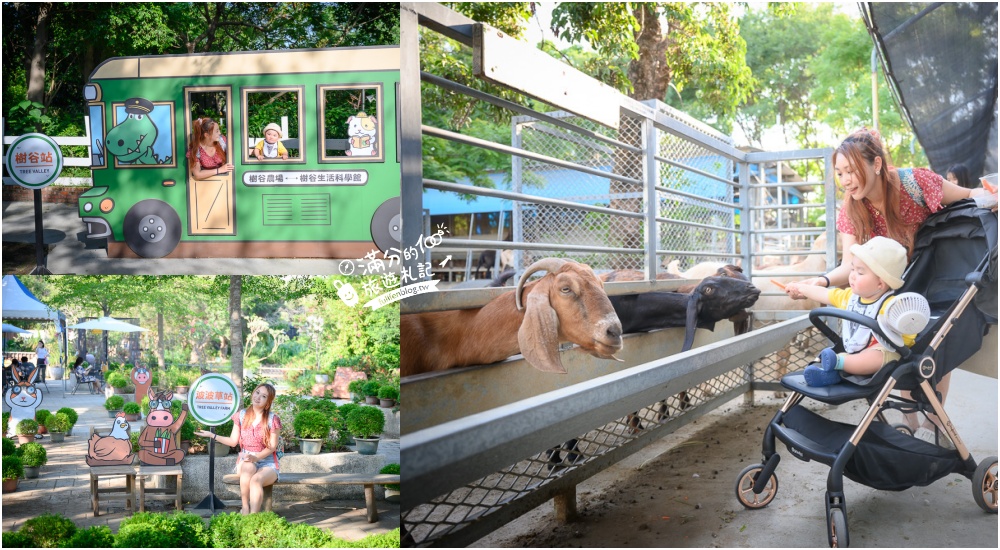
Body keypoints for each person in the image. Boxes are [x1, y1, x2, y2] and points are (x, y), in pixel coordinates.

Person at [786, 128, 996, 436]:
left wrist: (994, 196)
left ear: (877, 165)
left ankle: (935, 420)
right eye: (840, 173)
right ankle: (910, 423)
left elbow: (968, 196)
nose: (846, 180)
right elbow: (848, 266)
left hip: (935, 269)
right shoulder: (852, 209)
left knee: (941, 337)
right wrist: (820, 280)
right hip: (893, 283)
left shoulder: (916, 182)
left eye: (852, 170)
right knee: (901, 346)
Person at [784, 237, 914, 387]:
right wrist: (802, 288)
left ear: (880, 283)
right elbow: (824, 294)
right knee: (840, 354)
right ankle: (828, 374)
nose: (852, 275)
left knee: (876, 356)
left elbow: (908, 333)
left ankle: (837, 362)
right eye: (852, 269)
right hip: (853, 352)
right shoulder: (849, 298)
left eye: (860, 272)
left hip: (882, 354)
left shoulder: (891, 306)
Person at [195, 383, 282, 514]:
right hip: (246, 459)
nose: (258, 397)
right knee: (248, 466)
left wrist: (256, 457)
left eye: (263, 396)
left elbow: (272, 446)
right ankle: (245, 508)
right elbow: (232, 441)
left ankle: (253, 517)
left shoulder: (272, 419)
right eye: (257, 392)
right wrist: (212, 435)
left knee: (256, 480)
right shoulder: (241, 416)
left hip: (268, 462)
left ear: (268, 403)